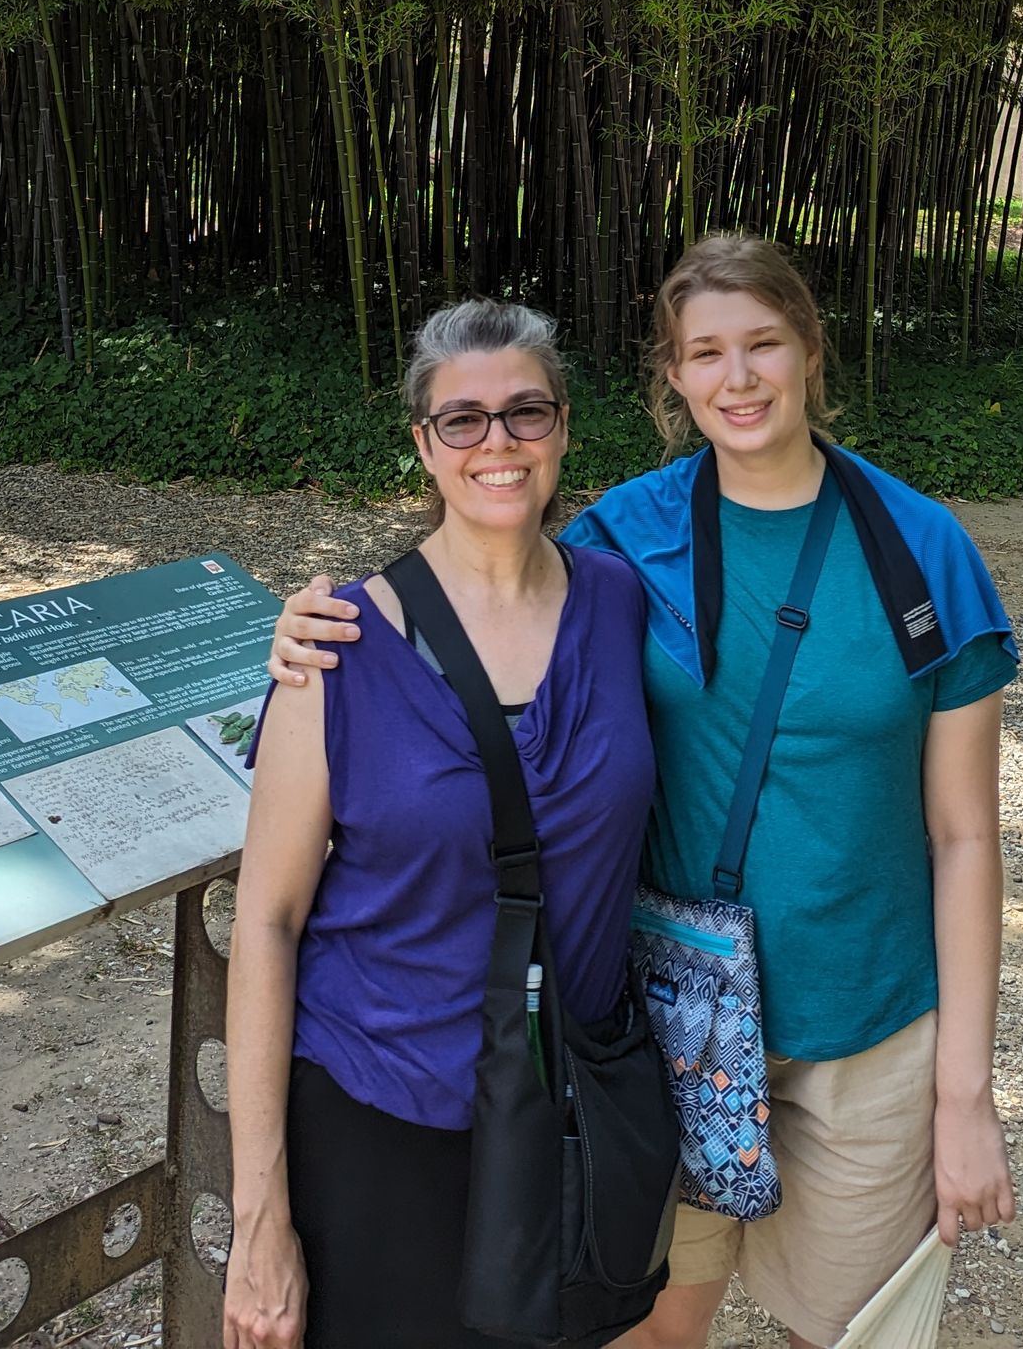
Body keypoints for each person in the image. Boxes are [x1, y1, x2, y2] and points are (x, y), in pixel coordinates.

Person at [268, 232, 1019, 1349]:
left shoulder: (923, 551)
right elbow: (485, 577)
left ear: (811, 349)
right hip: (662, 1024)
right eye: (704, 351)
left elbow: (963, 837)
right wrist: (318, 621)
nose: (738, 377)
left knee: (853, 1332)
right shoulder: (627, 534)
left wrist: (965, 1095)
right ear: (670, 375)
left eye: (762, 343)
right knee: (645, 1329)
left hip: (860, 1020)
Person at [221, 299, 659, 1349]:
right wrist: (257, 1215)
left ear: (562, 429)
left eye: (524, 411)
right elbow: (267, 923)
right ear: (422, 443)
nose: (496, 442)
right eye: (461, 419)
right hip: (383, 1111)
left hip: (568, 1107)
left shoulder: (618, 601)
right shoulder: (336, 649)